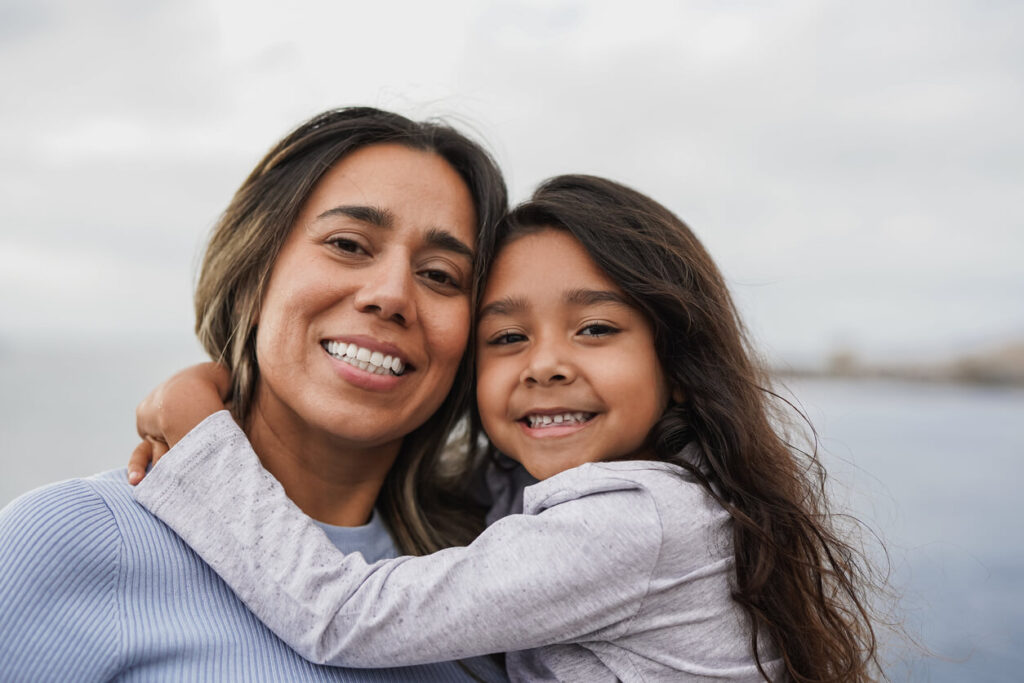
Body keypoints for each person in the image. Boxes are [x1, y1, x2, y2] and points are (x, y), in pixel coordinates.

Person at [129, 175, 882, 681]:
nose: (546, 364)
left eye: (593, 328)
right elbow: (478, 485)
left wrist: (203, 440)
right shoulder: (567, 492)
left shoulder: (637, 521)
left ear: (678, 364)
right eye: (507, 338)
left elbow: (348, 617)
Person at [0, 107, 510, 682]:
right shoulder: (74, 538)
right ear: (253, 275)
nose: (391, 295)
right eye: (348, 244)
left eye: (441, 275)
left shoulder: (494, 583)